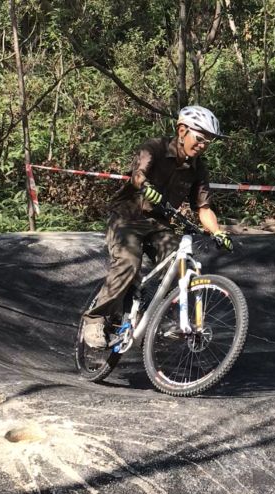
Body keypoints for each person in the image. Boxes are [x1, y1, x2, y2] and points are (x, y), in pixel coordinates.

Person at [81, 105, 233, 349]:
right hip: (127, 216)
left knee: (180, 265)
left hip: (159, 224)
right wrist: (145, 185)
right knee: (129, 263)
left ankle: (166, 319)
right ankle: (95, 318)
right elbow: (138, 174)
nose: (203, 145)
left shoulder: (199, 168)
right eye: (200, 138)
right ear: (182, 130)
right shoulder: (155, 147)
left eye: (209, 142)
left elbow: (203, 208)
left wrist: (217, 231)